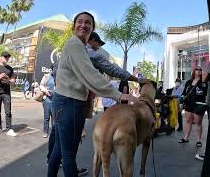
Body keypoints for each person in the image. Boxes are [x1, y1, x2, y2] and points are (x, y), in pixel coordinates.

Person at [47, 11, 138, 177]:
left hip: (62, 101)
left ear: (92, 28)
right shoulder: (75, 45)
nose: (83, 25)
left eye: (88, 22)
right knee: (68, 154)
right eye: (80, 21)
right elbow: (91, 74)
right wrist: (118, 95)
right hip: (69, 103)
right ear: (74, 26)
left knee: (59, 150)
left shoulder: (77, 45)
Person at [179, 65, 208, 148]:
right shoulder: (189, 81)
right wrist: (182, 101)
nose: (198, 70)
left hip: (198, 104)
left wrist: (203, 82)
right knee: (188, 121)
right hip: (188, 104)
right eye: (197, 69)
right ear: (194, 71)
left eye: (200, 69)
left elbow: (204, 92)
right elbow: (184, 93)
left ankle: (198, 140)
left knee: (198, 123)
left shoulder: (203, 81)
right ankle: (186, 138)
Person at [40, 64, 56, 138]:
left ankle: (53, 133)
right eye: (55, 69)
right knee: (46, 117)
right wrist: (46, 91)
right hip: (47, 100)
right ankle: (45, 132)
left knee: (54, 117)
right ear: (52, 69)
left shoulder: (58, 77)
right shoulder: (47, 76)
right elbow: (41, 85)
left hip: (55, 100)